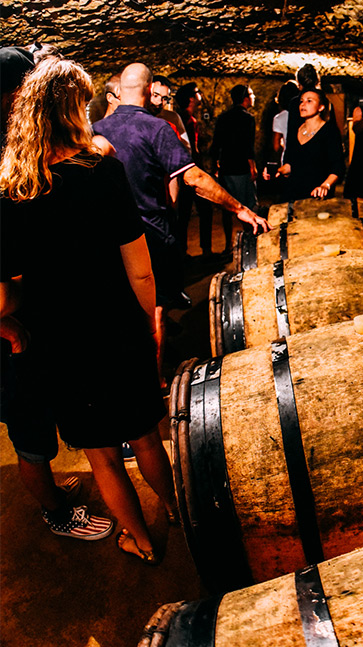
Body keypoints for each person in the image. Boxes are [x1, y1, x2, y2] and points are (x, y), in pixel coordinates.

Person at [0, 58, 180, 562]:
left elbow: (9, 285)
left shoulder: (14, 188)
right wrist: (151, 318)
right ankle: (179, 514)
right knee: (144, 435)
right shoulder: (103, 171)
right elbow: (139, 267)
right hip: (116, 323)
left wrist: (17, 320)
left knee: (101, 454)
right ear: (72, 111)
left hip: (57, 338)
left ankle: (139, 539)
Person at [1, 47, 115, 541]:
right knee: (27, 425)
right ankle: (55, 511)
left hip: (30, 313)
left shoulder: (19, 146)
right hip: (12, 322)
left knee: (38, 409)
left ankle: (48, 479)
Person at [93, 64, 268, 372]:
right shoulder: (155, 127)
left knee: (119, 305)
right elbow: (194, 178)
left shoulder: (97, 129)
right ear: (149, 91)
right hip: (149, 234)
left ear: (119, 91)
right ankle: (157, 380)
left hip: (108, 235)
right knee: (156, 309)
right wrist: (240, 208)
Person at [267, 88, 345, 201]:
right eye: (301, 101)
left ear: (321, 107)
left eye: (309, 101)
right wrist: (277, 171)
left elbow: (338, 166)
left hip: (316, 195)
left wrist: (325, 185)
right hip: (293, 193)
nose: (303, 104)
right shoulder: (296, 130)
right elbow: (292, 165)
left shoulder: (329, 131)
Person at [209, 84, 257, 255]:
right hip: (242, 168)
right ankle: (250, 241)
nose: (253, 97)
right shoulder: (248, 118)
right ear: (245, 98)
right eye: (251, 94)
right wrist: (253, 167)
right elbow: (248, 146)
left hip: (226, 168)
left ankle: (228, 245)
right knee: (247, 205)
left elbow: (216, 145)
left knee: (227, 207)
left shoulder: (223, 118)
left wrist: (215, 165)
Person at [174, 81, 213, 259]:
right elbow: (190, 149)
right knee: (204, 210)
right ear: (191, 98)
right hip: (190, 171)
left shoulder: (184, 118)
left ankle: (183, 251)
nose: (200, 96)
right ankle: (205, 251)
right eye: (197, 92)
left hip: (184, 171)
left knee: (184, 215)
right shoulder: (187, 120)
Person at [150, 75, 190, 152]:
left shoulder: (173, 118)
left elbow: (187, 149)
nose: (159, 102)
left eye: (164, 98)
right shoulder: (136, 116)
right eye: (155, 95)